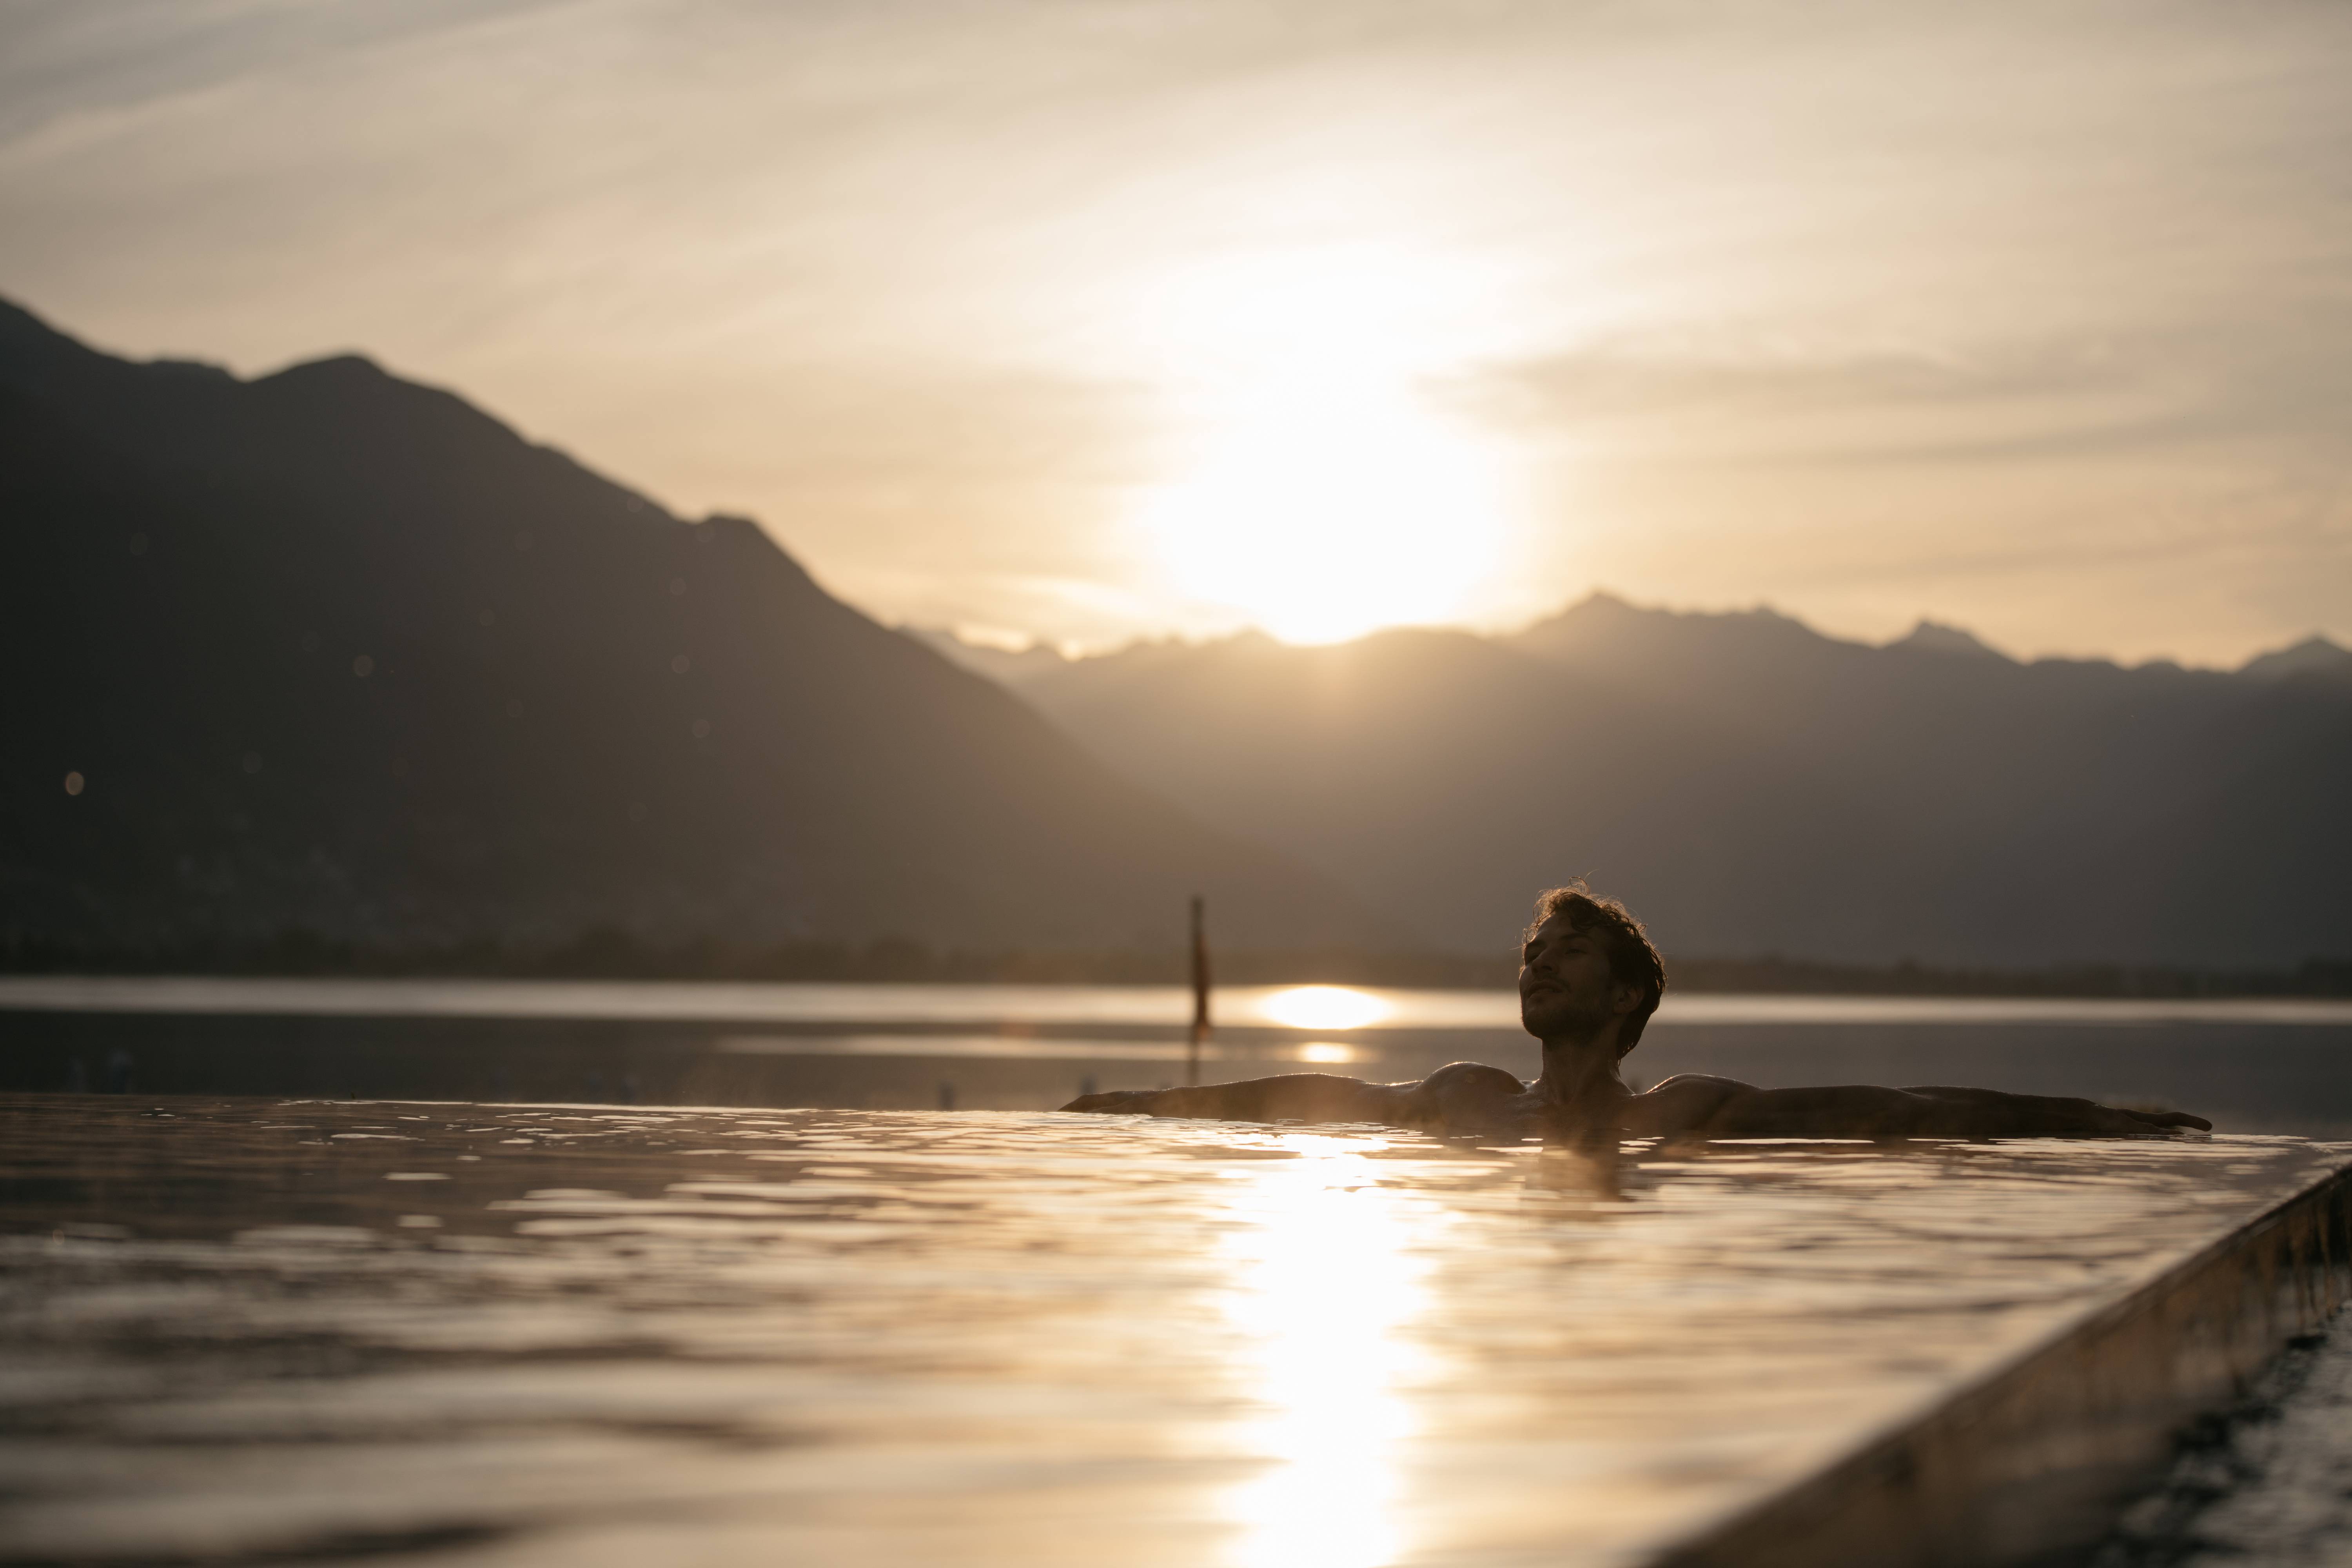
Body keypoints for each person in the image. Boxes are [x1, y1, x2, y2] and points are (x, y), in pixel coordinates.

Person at [1060, 886, 2212, 1140]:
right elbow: (1296, 1097)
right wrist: (1142, 1102)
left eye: (1570, 954)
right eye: (1530, 954)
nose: (1538, 967)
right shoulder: (1463, 1097)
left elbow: (1902, 1106)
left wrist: (2106, 1119)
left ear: (1627, 998)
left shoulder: (1679, 1112)